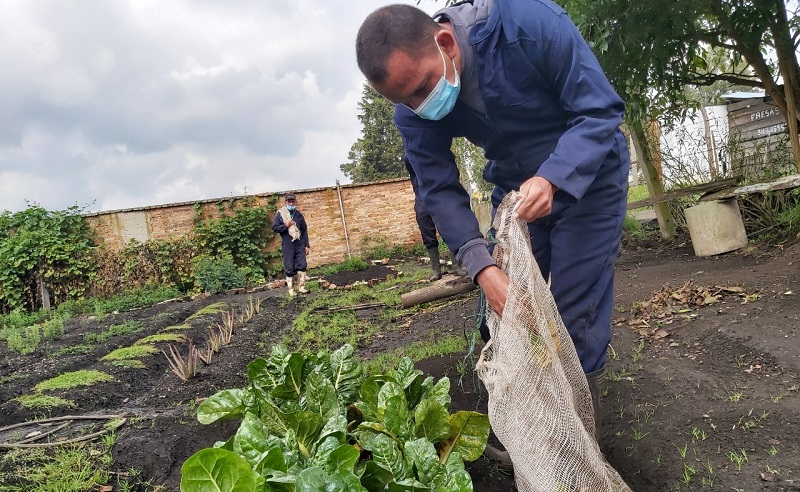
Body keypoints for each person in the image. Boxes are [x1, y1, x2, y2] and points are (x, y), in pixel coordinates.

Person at [356, 0, 630, 438]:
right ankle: (527, 423)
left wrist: (555, 178)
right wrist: (482, 268)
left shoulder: (527, 25)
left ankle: (577, 437)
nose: (419, 106)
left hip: (588, 178)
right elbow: (439, 191)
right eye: (404, 100)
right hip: (516, 193)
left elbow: (600, 111)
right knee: (505, 314)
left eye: (423, 88)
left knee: (575, 311)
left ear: (445, 42)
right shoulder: (413, 108)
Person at [405, 156, 468, 281]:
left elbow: (453, 170)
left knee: (449, 231)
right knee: (427, 233)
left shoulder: (439, 160)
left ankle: (456, 266)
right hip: (422, 200)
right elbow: (408, 158)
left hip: (440, 199)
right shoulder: (413, 161)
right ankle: (436, 271)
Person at [272, 193, 310, 296]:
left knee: (302, 265)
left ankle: (301, 287)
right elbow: (275, 228)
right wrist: (286, 225)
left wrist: (307, 245)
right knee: (289, 266)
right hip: (288, 244)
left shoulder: (298, 215)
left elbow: (304, 230)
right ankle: (291, 290)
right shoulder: (280, 214)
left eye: (293, 201)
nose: (291, 203)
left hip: (299, 243)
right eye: (289, 202)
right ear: (285, 202)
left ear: (295, 202)